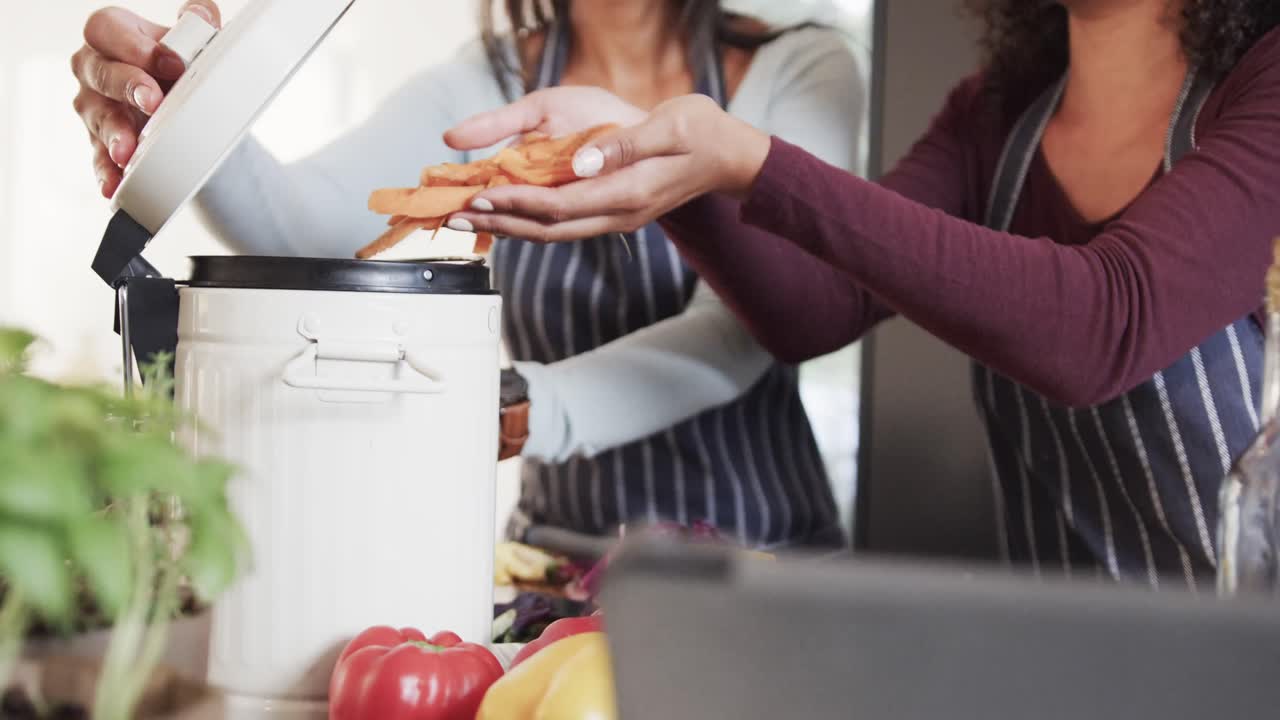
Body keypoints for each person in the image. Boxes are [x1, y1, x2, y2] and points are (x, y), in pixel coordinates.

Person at [445, 0, 1280, 587]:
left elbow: (1103, 325)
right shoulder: (999, 111)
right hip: (1079, 654)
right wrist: (672, 169)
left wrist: (750, 161)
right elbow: (815, 308)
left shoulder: (1265, 87)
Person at [70, 0, 864, 549]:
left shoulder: (799, 67)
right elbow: (300, 228)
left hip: (758, 555)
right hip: (555, 555)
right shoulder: (487, 79)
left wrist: (507, 406)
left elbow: (747, 329)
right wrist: (190, 106)